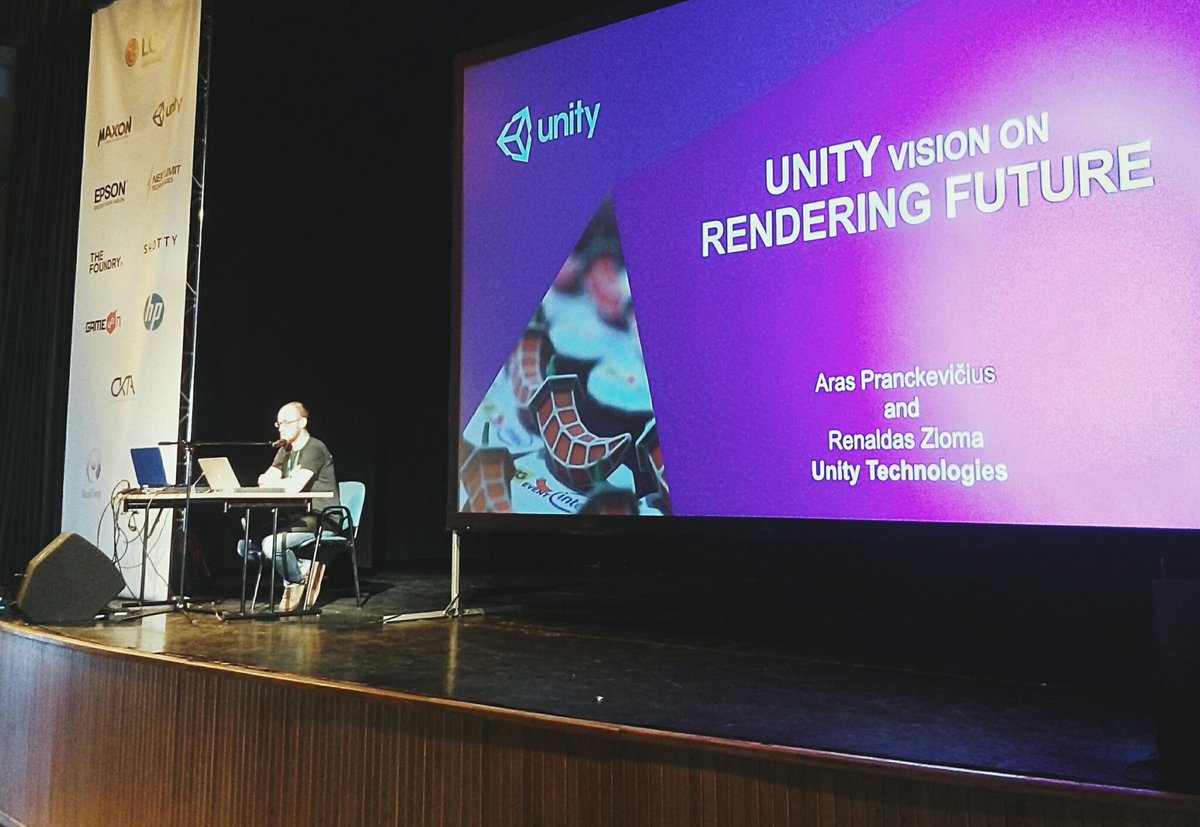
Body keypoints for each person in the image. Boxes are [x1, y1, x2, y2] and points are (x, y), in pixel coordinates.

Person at [238, 401, 340, 611]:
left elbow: (295, 486)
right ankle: (303, 567)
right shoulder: (285, 449)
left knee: (271, 545)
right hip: (296, 518)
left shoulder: (315, 448)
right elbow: (264, 479)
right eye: (279, 423)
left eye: (286, 422)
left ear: (302, 422)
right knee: (246, 545)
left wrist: (277, 482)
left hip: (321, 517)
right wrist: (277, 481)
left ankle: (295, 581)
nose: (281, 428)